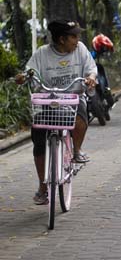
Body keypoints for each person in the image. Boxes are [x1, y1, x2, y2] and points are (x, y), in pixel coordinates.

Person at [15, 20, 97, 205]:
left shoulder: (81, 49)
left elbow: (91, 69)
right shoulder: (42, 54)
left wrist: (91, 78)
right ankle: (43, 186)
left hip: (73, 98)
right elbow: (29, 72)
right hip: (48, 101)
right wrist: (23, 77)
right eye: (73, 36)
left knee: (80, 119)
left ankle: (76, 149)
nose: (77, 40)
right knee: (38, 141)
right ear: (61, 39)